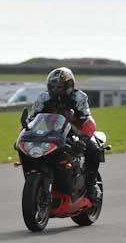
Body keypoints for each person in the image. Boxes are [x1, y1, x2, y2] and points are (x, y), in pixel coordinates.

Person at [28, 67, 102, 201]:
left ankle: (91, 186)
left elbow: (87, 119)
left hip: (74, 132)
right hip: (49, 132)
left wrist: (84, 138)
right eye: (53, 86)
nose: (56, 90)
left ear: (69, 85)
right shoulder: (43, 98)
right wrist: (24, 132)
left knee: (94, 149)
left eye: (60, 87)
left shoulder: (79, 97)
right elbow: (32, 119)